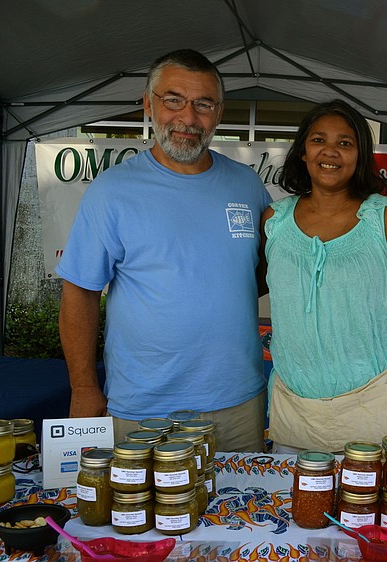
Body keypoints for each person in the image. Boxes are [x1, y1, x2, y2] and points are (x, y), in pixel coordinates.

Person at [56, 49, 271, 452]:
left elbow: (257, 273)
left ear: (219, 113)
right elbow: (79, 292)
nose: (188, 118)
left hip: (240, 402)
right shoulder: (112, 191)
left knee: (242, 513)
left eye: (203, 104)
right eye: (173, 99)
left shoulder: (247, 185)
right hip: (144, 409)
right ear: (148, 104)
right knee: (145, 515)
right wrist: (84, 387)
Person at [261, 99, 387, 453]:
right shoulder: (273, 220)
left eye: (345, 143)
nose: (330, 152)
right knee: (296, 505)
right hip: (294, 404)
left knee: (366, 505)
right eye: (318, 140)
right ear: (303, 152)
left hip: (372, 399)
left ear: (361, 155)